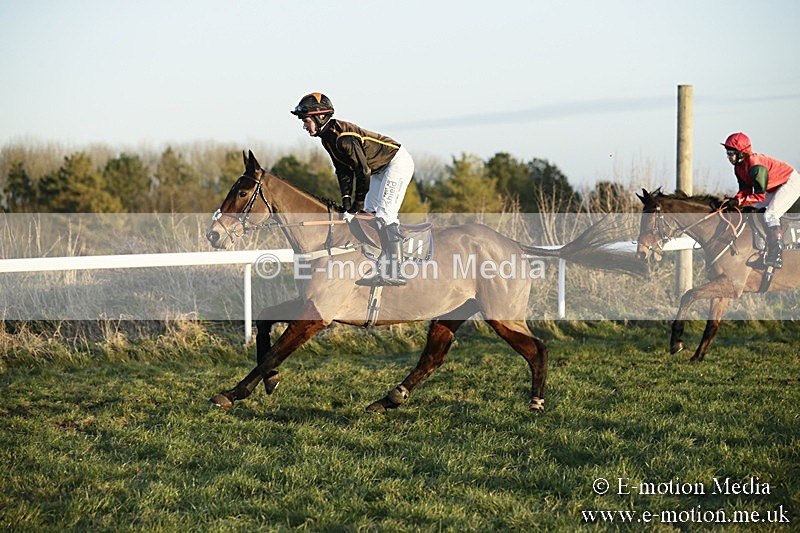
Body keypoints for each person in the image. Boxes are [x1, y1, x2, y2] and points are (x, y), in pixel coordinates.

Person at [291, 92, 415, 286]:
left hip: (396, 163)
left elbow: (362, 171)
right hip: (378, 169)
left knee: (384, 215)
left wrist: (356, 205)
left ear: (319, 117)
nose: (304, 126)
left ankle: (396, 270)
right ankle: (382, 265)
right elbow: (342, 171)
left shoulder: (343, 138)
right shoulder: (327, 138)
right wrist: (347, 203)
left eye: (306, 121)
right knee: (369, 215)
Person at [723, 132, 800, 269]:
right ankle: (763, 250)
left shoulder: (756, 166)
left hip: (790, 182)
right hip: (775, 186)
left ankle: (776, 255)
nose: (728, 157)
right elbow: (745, 191)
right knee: (754, 210)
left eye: (730, 153)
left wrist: (740, 202)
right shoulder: (739, 167)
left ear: (741, 152)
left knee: (771, 214)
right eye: (727, 153)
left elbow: (759, 196)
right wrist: (735, 200)